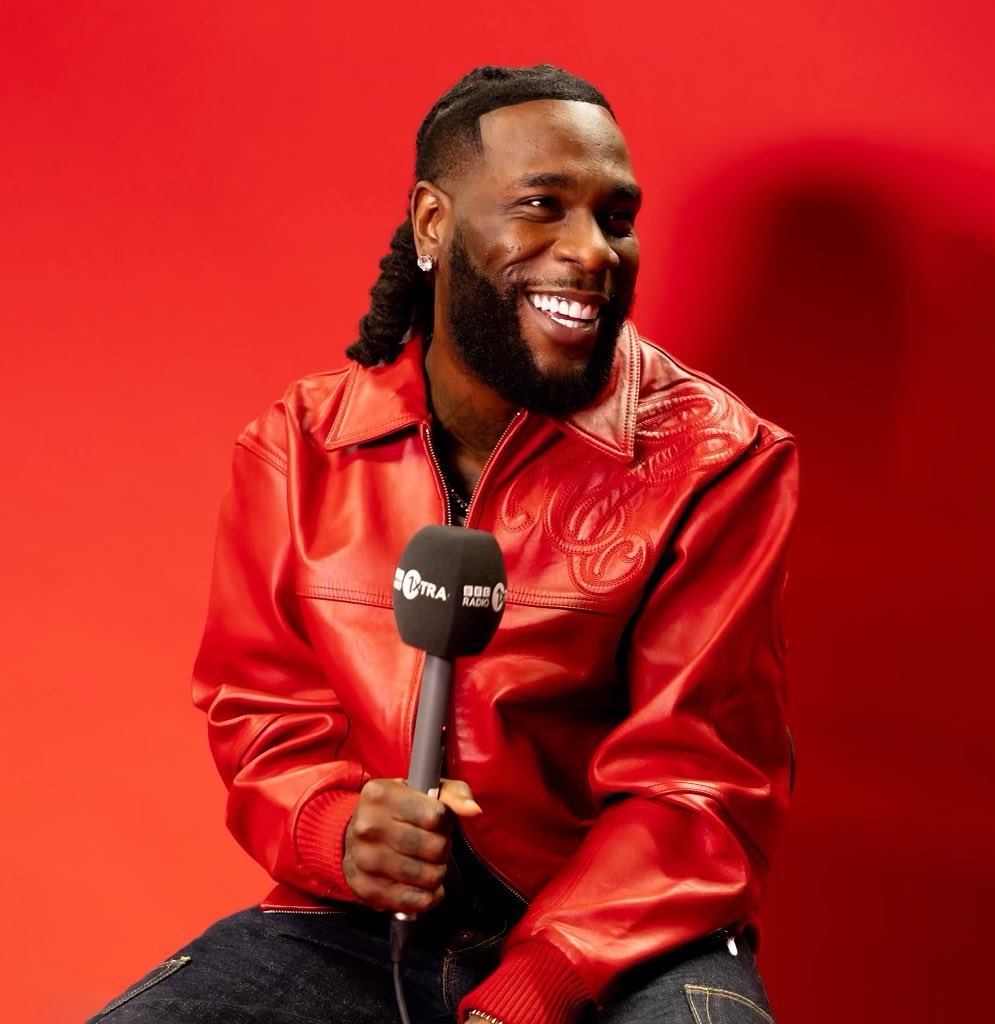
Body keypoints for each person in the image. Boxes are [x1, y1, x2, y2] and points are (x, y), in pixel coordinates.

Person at [88, 65, 798, 1024]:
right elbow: (261, 713)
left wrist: (542, 979)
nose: (593, 250)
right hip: (363, 926)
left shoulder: (718, 459)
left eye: (616, 217)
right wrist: (340, 833)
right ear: (433, 223)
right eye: (542, 206)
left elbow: (699, 781)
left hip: (624, 941)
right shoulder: (301, 447)